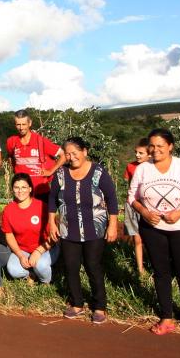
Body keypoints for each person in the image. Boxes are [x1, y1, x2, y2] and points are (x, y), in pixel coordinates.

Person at [129, 128, 180, 342]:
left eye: (160, 146)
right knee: (161, 273)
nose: (155, 150)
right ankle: (166, 317)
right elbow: (132, 197)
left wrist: (179, 214)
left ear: (171, 146)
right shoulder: (143, 169)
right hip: (153, 229)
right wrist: (145, 212)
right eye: (152, 147)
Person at [48, 137, 118, 324]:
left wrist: (112, 224)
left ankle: (100, 306)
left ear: (85, 151)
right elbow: (52, 200)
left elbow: (112, 198)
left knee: (92, 266)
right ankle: (77, 303)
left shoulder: (98, 172)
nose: (71, 157)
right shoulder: (61, 174)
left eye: (74, 153)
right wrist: (52, 223)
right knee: (71, 267)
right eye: (67, 154)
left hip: (94, 228)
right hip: (68, 228)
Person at [2, 173, 58, 284]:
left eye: (24, 187)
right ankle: (31, 273)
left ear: (30, 189)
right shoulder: (8, 210)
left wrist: (38, 252)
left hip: (46, 247)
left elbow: (54, 236)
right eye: (16, 187)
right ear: (12, 189)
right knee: (13, 269)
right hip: (23, 250)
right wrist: (20, 255)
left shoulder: (42, 206)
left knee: (40, 265)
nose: (20, 191)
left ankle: (45, 281)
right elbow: (9, 235)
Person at [6, 109, 64, 198]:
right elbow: (10, 157)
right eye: (18, 124)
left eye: (24, 124)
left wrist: (50, 171)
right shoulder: (11, 141)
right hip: (21, 192)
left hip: (40, 191)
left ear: (30, 123)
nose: (21, 128)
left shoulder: (40, 141)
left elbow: (63, 155)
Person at [123, 138, 149, 275]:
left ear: (149, 154)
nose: (137, 155)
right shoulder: (130, 166)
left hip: (148, 206)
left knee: (151, 238)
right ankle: (140, 269)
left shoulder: (153, 167)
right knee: (137, 238)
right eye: (136, 152)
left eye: (141, 153)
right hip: (133, 205)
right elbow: (128, 185)